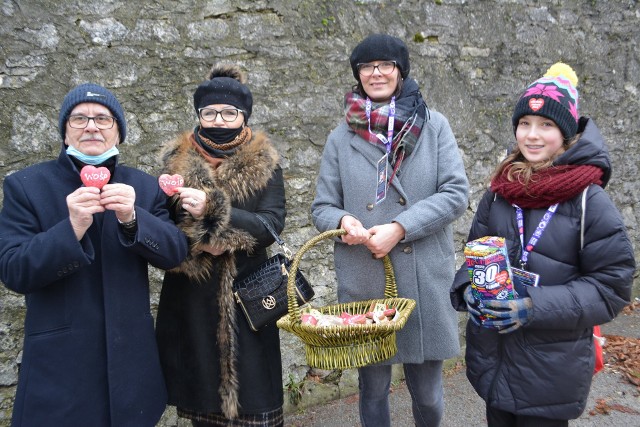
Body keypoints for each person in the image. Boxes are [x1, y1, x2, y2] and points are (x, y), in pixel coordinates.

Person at [450, 63, 636, 427]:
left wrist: (533, 307)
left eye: (546, 125)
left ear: (565, 135)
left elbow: (611, 287)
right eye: (525, 124)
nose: (532, 136)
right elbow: (475, 254)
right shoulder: (500, 192)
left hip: (551, 372)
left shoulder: (589, 200)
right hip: (494, 360)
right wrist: (467, 288)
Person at [0, 83, 189, 426]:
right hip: (59, 372)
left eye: (103, 119)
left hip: (132, 371)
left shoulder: (143, 187)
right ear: (64, 132)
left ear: (118, 132)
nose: (91, 126)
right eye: (79, 119)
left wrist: (134, 219)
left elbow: (176, 252)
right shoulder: (26, 186)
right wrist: (69, 229)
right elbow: (13, 270)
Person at [311, 34, 469, 427]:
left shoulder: (434, 126)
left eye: (385, 65)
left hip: (424, 278)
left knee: (430, 398)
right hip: (367, 277)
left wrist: (400, 227)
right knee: (373, 393)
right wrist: (342, 221)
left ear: (400, 71)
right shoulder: (340, 137)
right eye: (367, 66)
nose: (376, 73)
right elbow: (322, 206)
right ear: (358, 75)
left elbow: (456, 193)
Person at [155, 64, 286, 427]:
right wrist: (197, 244)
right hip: (192, 296)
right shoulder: (175, 161)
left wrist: (214, 212)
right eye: (210, 112)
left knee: (257, 408)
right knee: (204, 408)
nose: (219, 119)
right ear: (199, 114)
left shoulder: (265, 162)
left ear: (243, 116)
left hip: (250, 297)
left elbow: (271, 226)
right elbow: (160, 223)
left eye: (230, 113)